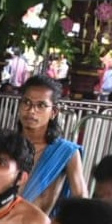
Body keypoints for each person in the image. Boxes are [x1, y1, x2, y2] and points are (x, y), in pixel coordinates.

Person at [13, 74, 87, 215]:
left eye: (41, 105)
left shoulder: (65, 152)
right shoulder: (4, 144)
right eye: (26, 102)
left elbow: (81, 199)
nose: (31, 111)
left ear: (53, 112)